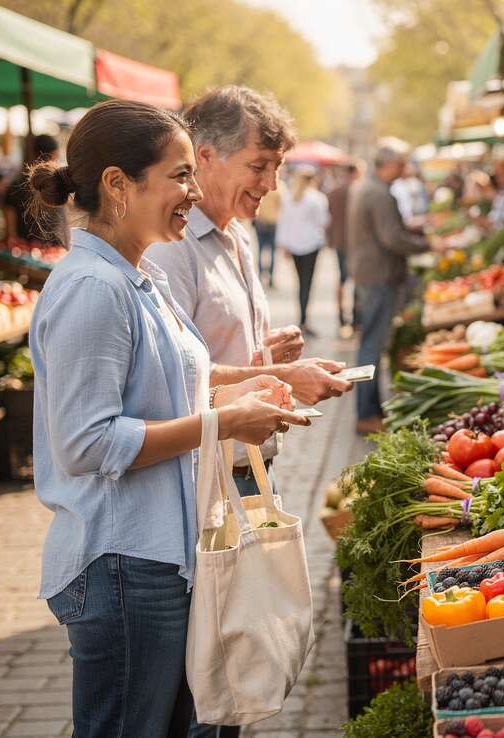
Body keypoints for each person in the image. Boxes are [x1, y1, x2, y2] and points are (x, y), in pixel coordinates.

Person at [27, 99, 307, 738]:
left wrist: (260, 385)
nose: (191, 191)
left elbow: (178, 385)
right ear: (119, 186)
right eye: (179, 175)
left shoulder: (133, 277)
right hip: (122, 561)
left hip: (156, 557)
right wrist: (225, 424)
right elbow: (86, 444)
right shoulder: (93, 288)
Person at [146, 86, 351, 503]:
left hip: (250, 468)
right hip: (207, 480)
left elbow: (212, 348)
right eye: (259, 166)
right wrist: (283, 377)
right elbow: (170, 379)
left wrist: (266, 353)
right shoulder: (172, 248)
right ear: (205, 157)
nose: (272, 184)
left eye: (276, 167)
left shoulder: (238, 235)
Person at [348, 145, 430, 434]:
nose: (405, 168)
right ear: (391, 164)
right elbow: (392, 238)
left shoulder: (369, 188)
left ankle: (371, 411)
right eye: (402, 163)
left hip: (371, 274)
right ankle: (367, 414)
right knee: (372, 345)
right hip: (379, 276)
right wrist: (427, 244)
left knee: (371, 344)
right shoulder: (379, 192)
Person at [277, 165, 330, 334]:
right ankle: (303, 319)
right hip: (311, 244)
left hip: (294, 245)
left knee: (300, 282)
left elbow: (283, 221)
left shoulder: (289, 196)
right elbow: (324, 221)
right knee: (307, 283)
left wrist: (283, 244)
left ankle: (302, 318)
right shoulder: (317, 198)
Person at [4, 134, 67, 245]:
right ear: (54, 155)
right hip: (52, 249)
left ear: (33, 152)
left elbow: (10, 227)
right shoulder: (59, 183)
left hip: (24, 248)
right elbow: (63, 222)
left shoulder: (16, 183)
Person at [328, 162, 361, 335]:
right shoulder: (358, 191)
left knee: (341, 280)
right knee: (356, 280)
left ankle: (341, 317)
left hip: (339, 241)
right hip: (355, 243)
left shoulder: (334, 192)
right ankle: (355, 318)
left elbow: (329, 218)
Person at [253, 188, 279, 287]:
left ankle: (260, 276)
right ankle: (270, 278)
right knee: (272, 252)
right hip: (273, 223)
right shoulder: (279, 188)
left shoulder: (261, 186)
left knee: (260, 251)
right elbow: (281, 206)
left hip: (261, 222)